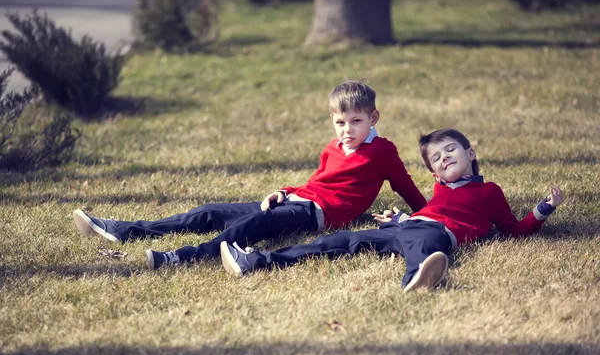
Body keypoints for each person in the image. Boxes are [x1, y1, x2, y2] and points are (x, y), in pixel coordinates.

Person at [72, 80, 427, 269]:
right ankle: (126, 229)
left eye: (356, 122)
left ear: (373, 118)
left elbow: (404, 186)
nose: (347, 130)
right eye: (340, 122)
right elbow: (316, 180)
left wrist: (426, 214)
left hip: (317, 214)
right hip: (298, 200)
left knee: (250, 226)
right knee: (209, 211)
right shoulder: (332, 149)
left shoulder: (382, 151)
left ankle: (183, 256)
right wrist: (283, 191)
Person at [220, 128, 564, 292]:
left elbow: (512, 230)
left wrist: (542, 210)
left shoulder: (489, 192)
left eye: (450, 150)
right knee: (338, 242)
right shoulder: (439, 189)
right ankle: (257, 261)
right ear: (435, 174)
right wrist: (401, 218)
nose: (445, 158)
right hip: (408, 225)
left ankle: (417, 276)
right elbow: (429, 212)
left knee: (424, 243)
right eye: (437, 159)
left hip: (435, 234)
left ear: (470, 153)